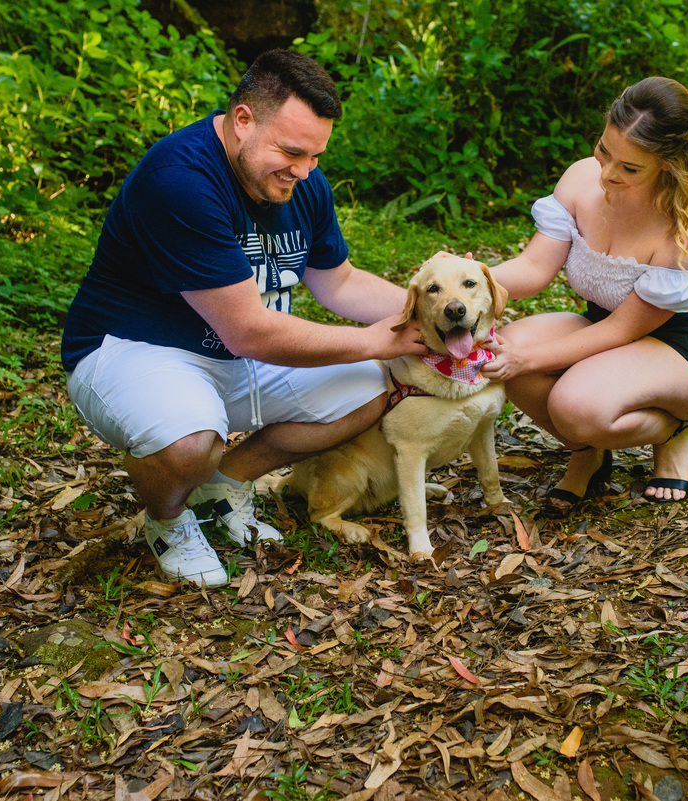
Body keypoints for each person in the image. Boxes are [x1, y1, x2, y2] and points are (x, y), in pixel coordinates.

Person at [60, 50, 427, 587]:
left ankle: (224, 484)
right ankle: (168, 518)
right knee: (188, 443)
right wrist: (376, 340)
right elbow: (250, 330)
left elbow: (340, 283)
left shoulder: (300, 182)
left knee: (368, 389)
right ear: (242, 120)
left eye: (316, 157)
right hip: (134, 350)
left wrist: (432, 315)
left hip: (235, 355)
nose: (303, 172)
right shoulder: (181, 180)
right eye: (291, 152)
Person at [479, 76, 688, 508]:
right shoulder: (582, 177)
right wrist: (472, 278)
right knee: (508, 349)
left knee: (574, 405)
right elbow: (535, 268)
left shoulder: (685, 227)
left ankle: (674, 430)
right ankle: (589, 453)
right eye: (604, 151)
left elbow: (622, 329)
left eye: (630, 168)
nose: (607, 174)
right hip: (605, 331)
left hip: (680, 348)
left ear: (667, 164)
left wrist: (526, 360)